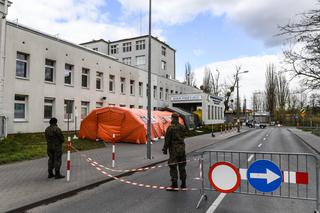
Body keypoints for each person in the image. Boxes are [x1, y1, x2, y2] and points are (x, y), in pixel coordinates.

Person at [162, 113, 187, 191]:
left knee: (173, 166)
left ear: (173, 118)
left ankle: (174, 185)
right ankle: (183, 184)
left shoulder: (171, 128)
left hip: (174, 150)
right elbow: (184, 136)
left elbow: (167, 140)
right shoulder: (182, 127)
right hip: (182, 149)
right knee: (182, 167)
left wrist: (165, 149)